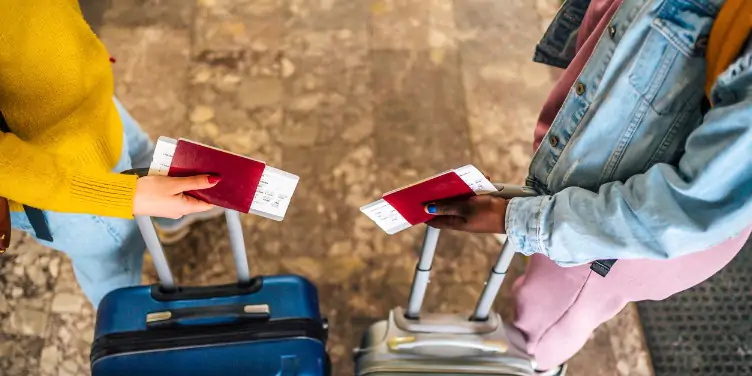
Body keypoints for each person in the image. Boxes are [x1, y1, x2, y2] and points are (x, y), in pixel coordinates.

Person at [426, 0, 752, 374]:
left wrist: (519, 221)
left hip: (614, 233)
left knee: (546, 322)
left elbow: (691, 206)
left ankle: (531, 363)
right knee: (550, 281)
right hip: (593, 194)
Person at [0, 0, 223, 308]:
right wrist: (123, 197)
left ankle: (172, 219)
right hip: (64, 175)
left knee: (146, 155)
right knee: (116, 264)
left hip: (92, 108)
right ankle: (136, 337)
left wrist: (79, 51)